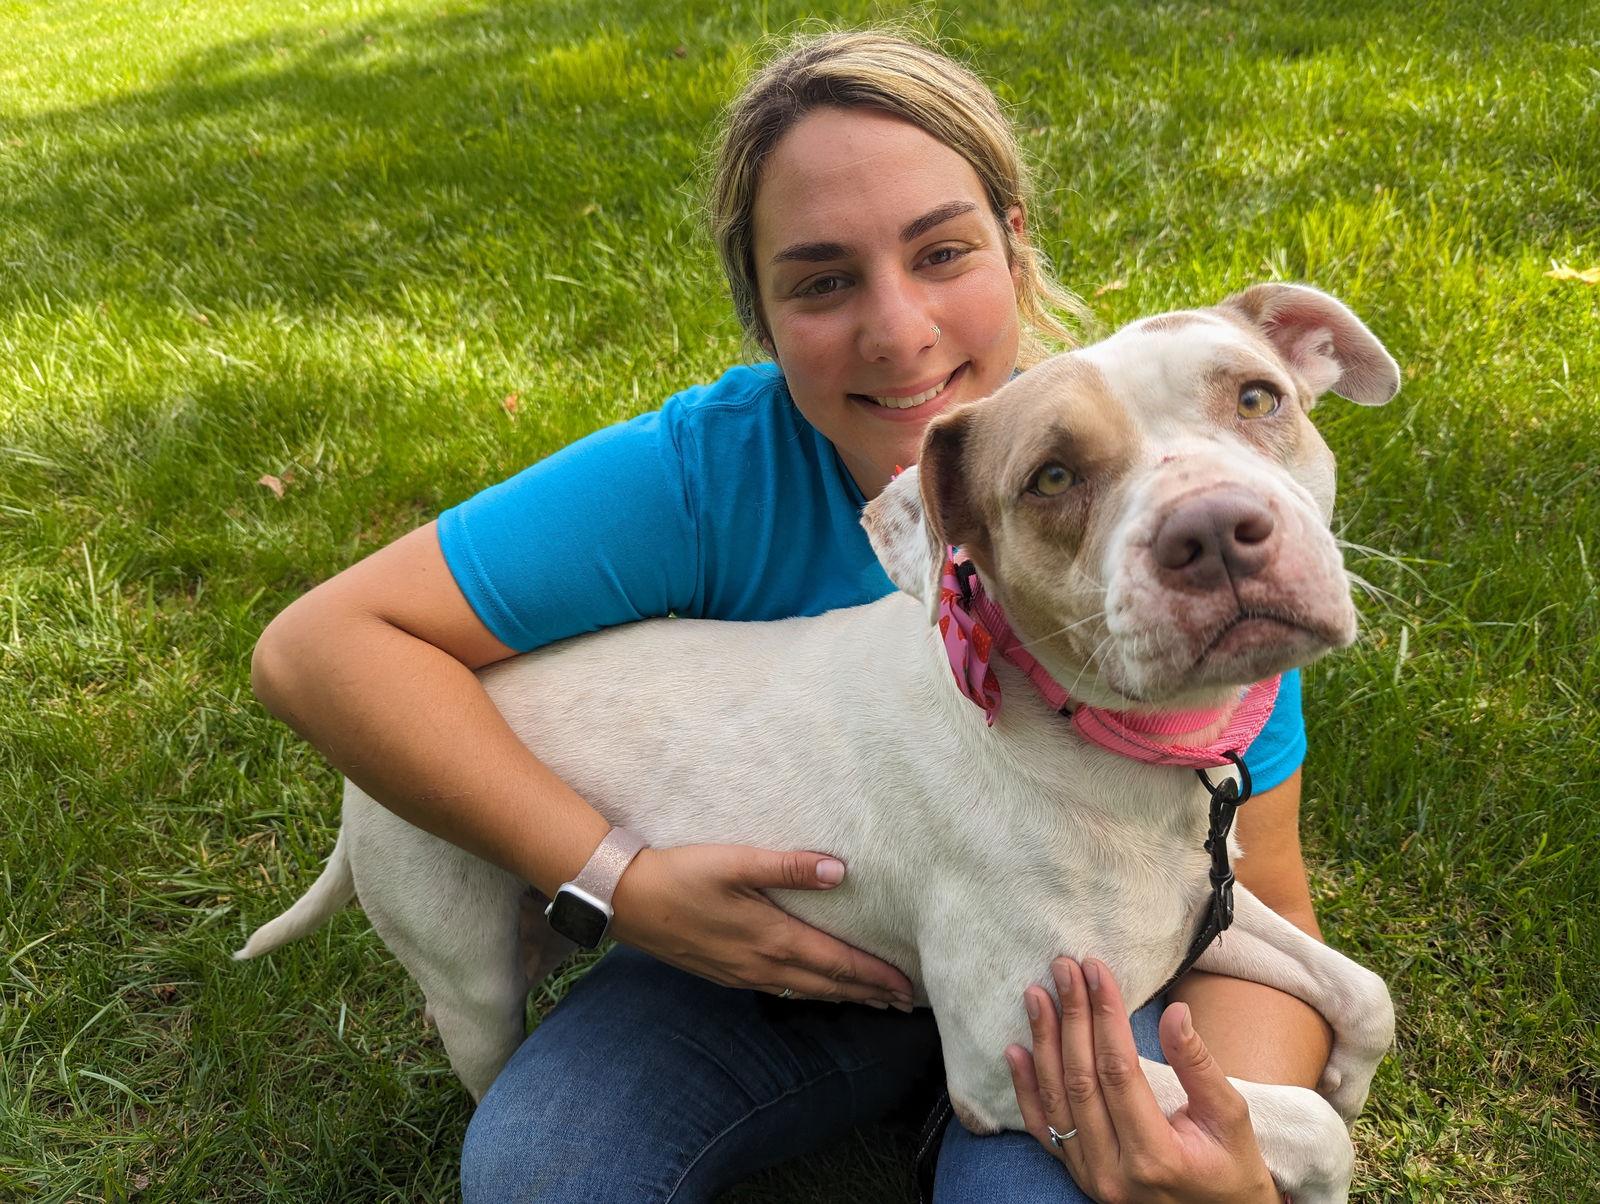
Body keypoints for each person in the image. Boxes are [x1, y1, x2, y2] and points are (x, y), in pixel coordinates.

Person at [250, 28, 1333, 1203]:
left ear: (1015, 246)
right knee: (541, 1168)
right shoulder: (703, 475)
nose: (897, 329)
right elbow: (318, 647)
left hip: (1070, 975)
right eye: (821, 281)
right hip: (760, 960)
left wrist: (1236, 1157)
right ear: (760, 316)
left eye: (942, 251)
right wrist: (614, 880)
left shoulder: (1169, 511)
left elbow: (1256, 888)